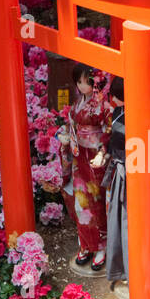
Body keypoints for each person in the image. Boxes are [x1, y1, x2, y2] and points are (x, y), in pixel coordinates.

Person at [60, 64, 120, 274]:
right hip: (79, 158)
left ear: (95, 82)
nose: (81, 85)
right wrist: (67, 138)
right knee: (81, 202)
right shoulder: (78, 104)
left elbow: (110, 129)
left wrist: (103, 152)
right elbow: (71, 125)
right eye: (79, 81)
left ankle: (101, 247)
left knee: (97, 203)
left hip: (95, 158)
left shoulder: (103, 106)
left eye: (85, 81)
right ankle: (85, 244)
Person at [104, 77, 128, 298]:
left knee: (125, 222)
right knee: (121, 221)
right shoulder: (119, 113)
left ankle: (129, 271)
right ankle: (124, 269)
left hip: (129, 172)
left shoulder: (126, 116)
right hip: (124, 170)